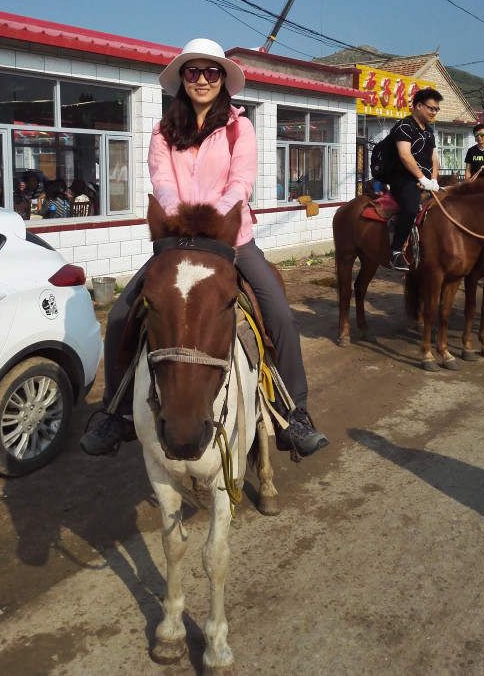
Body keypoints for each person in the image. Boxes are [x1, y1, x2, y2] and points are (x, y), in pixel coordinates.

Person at [81, 38, 328, 458]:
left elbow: (241, 182)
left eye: (211, 73)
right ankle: (117, 411)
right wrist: (182, 222)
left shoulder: (239, 128)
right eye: (192, 72)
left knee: (280, 314)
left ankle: (294, 413)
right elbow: (162, 182)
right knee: (122, 313)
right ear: (182, 79)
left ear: (222, 81)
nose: (201, 80)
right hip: (176, 239)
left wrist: (213, 224)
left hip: (233, 239)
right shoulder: (162, 131)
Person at [384, 88, 443, 271]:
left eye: (436, 109)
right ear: (418, 106)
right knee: (410, 208)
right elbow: (404, 155)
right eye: (431, 108)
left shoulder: (429, 132)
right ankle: (396, 252)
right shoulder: (404, 126)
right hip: (402, 179)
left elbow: (434, 159)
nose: (434, 112)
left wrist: (433, 180)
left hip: (424, 179)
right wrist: (421, 178)